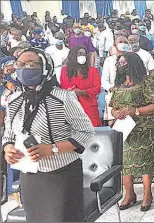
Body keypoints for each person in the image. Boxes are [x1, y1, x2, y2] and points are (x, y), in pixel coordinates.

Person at [3, 48, 94, 221]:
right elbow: (8, 134)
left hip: (61, 174)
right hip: (30, 176)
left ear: (45, 68)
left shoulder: (63, 98)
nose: (25, 68)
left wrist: (52, 149)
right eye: (20, 64)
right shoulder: (14, 100)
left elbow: (86, 132)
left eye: (32, 64)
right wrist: (8, 148)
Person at [110, 52, 154, 212]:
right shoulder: (120, 83)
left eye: (124, 63)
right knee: (125, 162)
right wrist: (116, 113)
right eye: (119, 63)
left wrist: (135, 110)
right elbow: (113, 106)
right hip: (125, 129)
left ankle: (147, 194)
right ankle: (129, 194)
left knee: (145, 160)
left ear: (133, 64)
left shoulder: (147, 81)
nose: (121, 65)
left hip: (144, 128)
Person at [60, 46, 102, 127]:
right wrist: (68, 91)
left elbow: (97, 89)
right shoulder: (64, 70)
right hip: (71, 107)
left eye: (84, 54)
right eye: (79, 53)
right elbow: (62, 87)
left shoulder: (93, 71)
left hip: (89, 107)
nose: (82, 56)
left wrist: (82, 92)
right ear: (73, 55)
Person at [101, 36, 129, 126]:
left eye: (125, 42)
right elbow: (104, 80)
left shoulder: (133, 59)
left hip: (129, 95)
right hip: (113, 95)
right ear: (115, 45)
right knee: (113, 123)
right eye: (120, 42)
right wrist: (111, 88)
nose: (123, 44)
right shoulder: (109, 60)